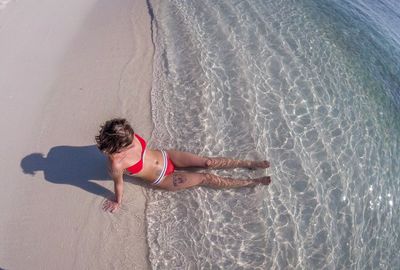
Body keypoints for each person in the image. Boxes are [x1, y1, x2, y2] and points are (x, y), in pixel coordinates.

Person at [95, 118, 271, 212]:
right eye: (128, 143)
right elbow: (118, 183)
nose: (134, 142)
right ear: (118, 146)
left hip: (168, 157)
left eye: (132, 137)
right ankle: (252, 182)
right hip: (164, 178)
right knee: (206, 177)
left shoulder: (126, 134)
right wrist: (117, 202)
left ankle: (250, 163)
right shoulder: (116, 164)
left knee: (208, 162)